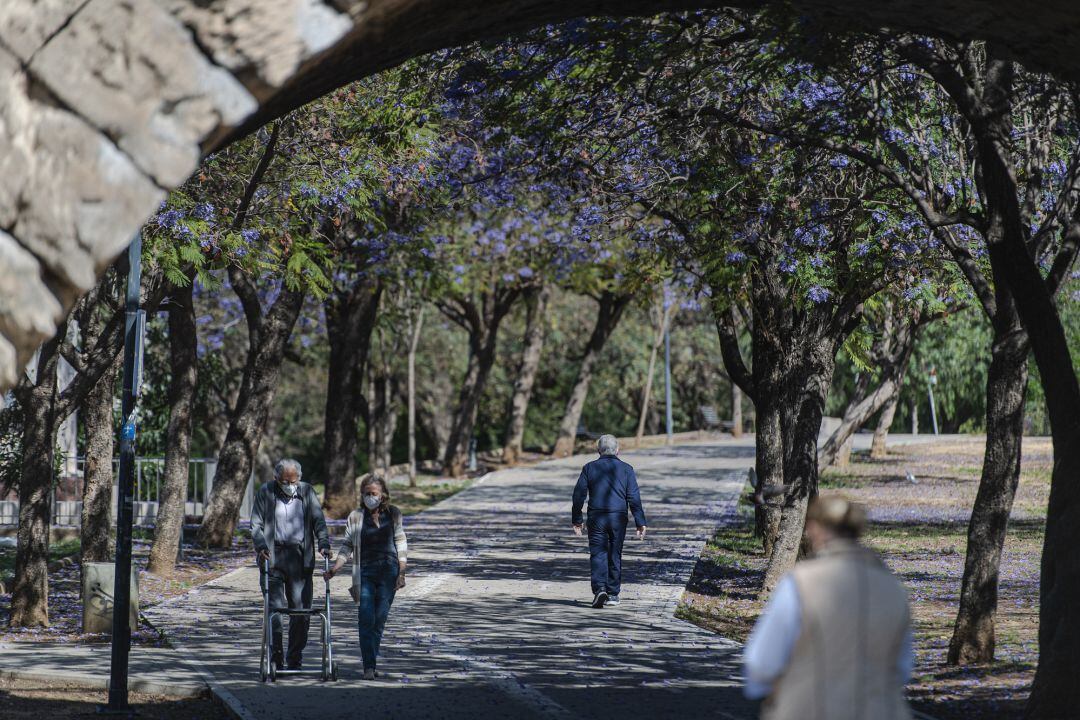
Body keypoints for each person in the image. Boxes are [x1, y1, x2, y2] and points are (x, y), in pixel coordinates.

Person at [743, 495, 914, 720]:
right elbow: (902, 666)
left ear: (816, 528)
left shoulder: (800, 583)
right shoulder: (894, 589)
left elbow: (762, 664)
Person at [250, 458, 331, 671]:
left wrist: (323, 543)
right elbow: (256, 525)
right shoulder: (266, 492)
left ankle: (295, 657)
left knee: (301, 612)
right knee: (275, 611)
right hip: (273, 558)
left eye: (293, 481)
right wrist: (260, 546)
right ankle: (276, 658)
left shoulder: (307, 492)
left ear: (299, 479)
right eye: (285, 481)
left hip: (300, 559)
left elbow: (318, 520)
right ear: (276, 478)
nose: (290, 485)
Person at [325, 475, 408, 680]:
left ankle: (371, 660)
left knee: (379, 620)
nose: (370, 497)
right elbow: (347, 545)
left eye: (374, 493)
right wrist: (335, 568)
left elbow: (401, 542)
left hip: (389, 571)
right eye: (367, 493)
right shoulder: (355, 516)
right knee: (365, 618)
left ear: (383, 495)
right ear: (362, 495)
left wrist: (402, 572)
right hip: (365, 573)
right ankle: (369, 666)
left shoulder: (394, 513)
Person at [571, 434, 647, 608]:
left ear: (598, 450)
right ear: (618, 450)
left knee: (598, 553)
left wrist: (577, 519)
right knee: (615, 553)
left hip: (596, 517)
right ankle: (613, 594)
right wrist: (640, 521)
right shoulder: (627, 469)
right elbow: (633, 497)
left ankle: (600, 589)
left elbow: (578, 495)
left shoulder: (589, 468)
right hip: (618, 517)